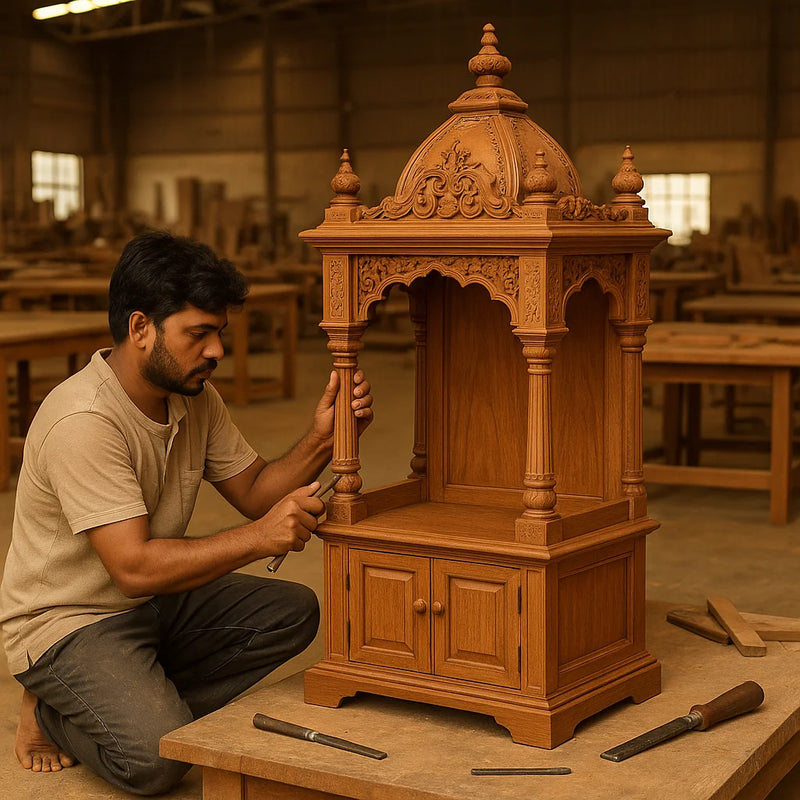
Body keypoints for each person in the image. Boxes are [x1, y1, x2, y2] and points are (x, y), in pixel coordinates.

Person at [0, 230, 373, 796]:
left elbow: (253, 491)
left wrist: (323, 440)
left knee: (292, 611)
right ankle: (56, 710)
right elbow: (134, 569)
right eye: (198, 334)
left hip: (143, 605)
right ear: (141, 328)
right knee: (158, 759)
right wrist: (258, 538)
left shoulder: (193, 396)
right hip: (68, 620)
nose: (217, 351)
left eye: (219, 333)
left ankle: (126, 698)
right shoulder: (85, 420)